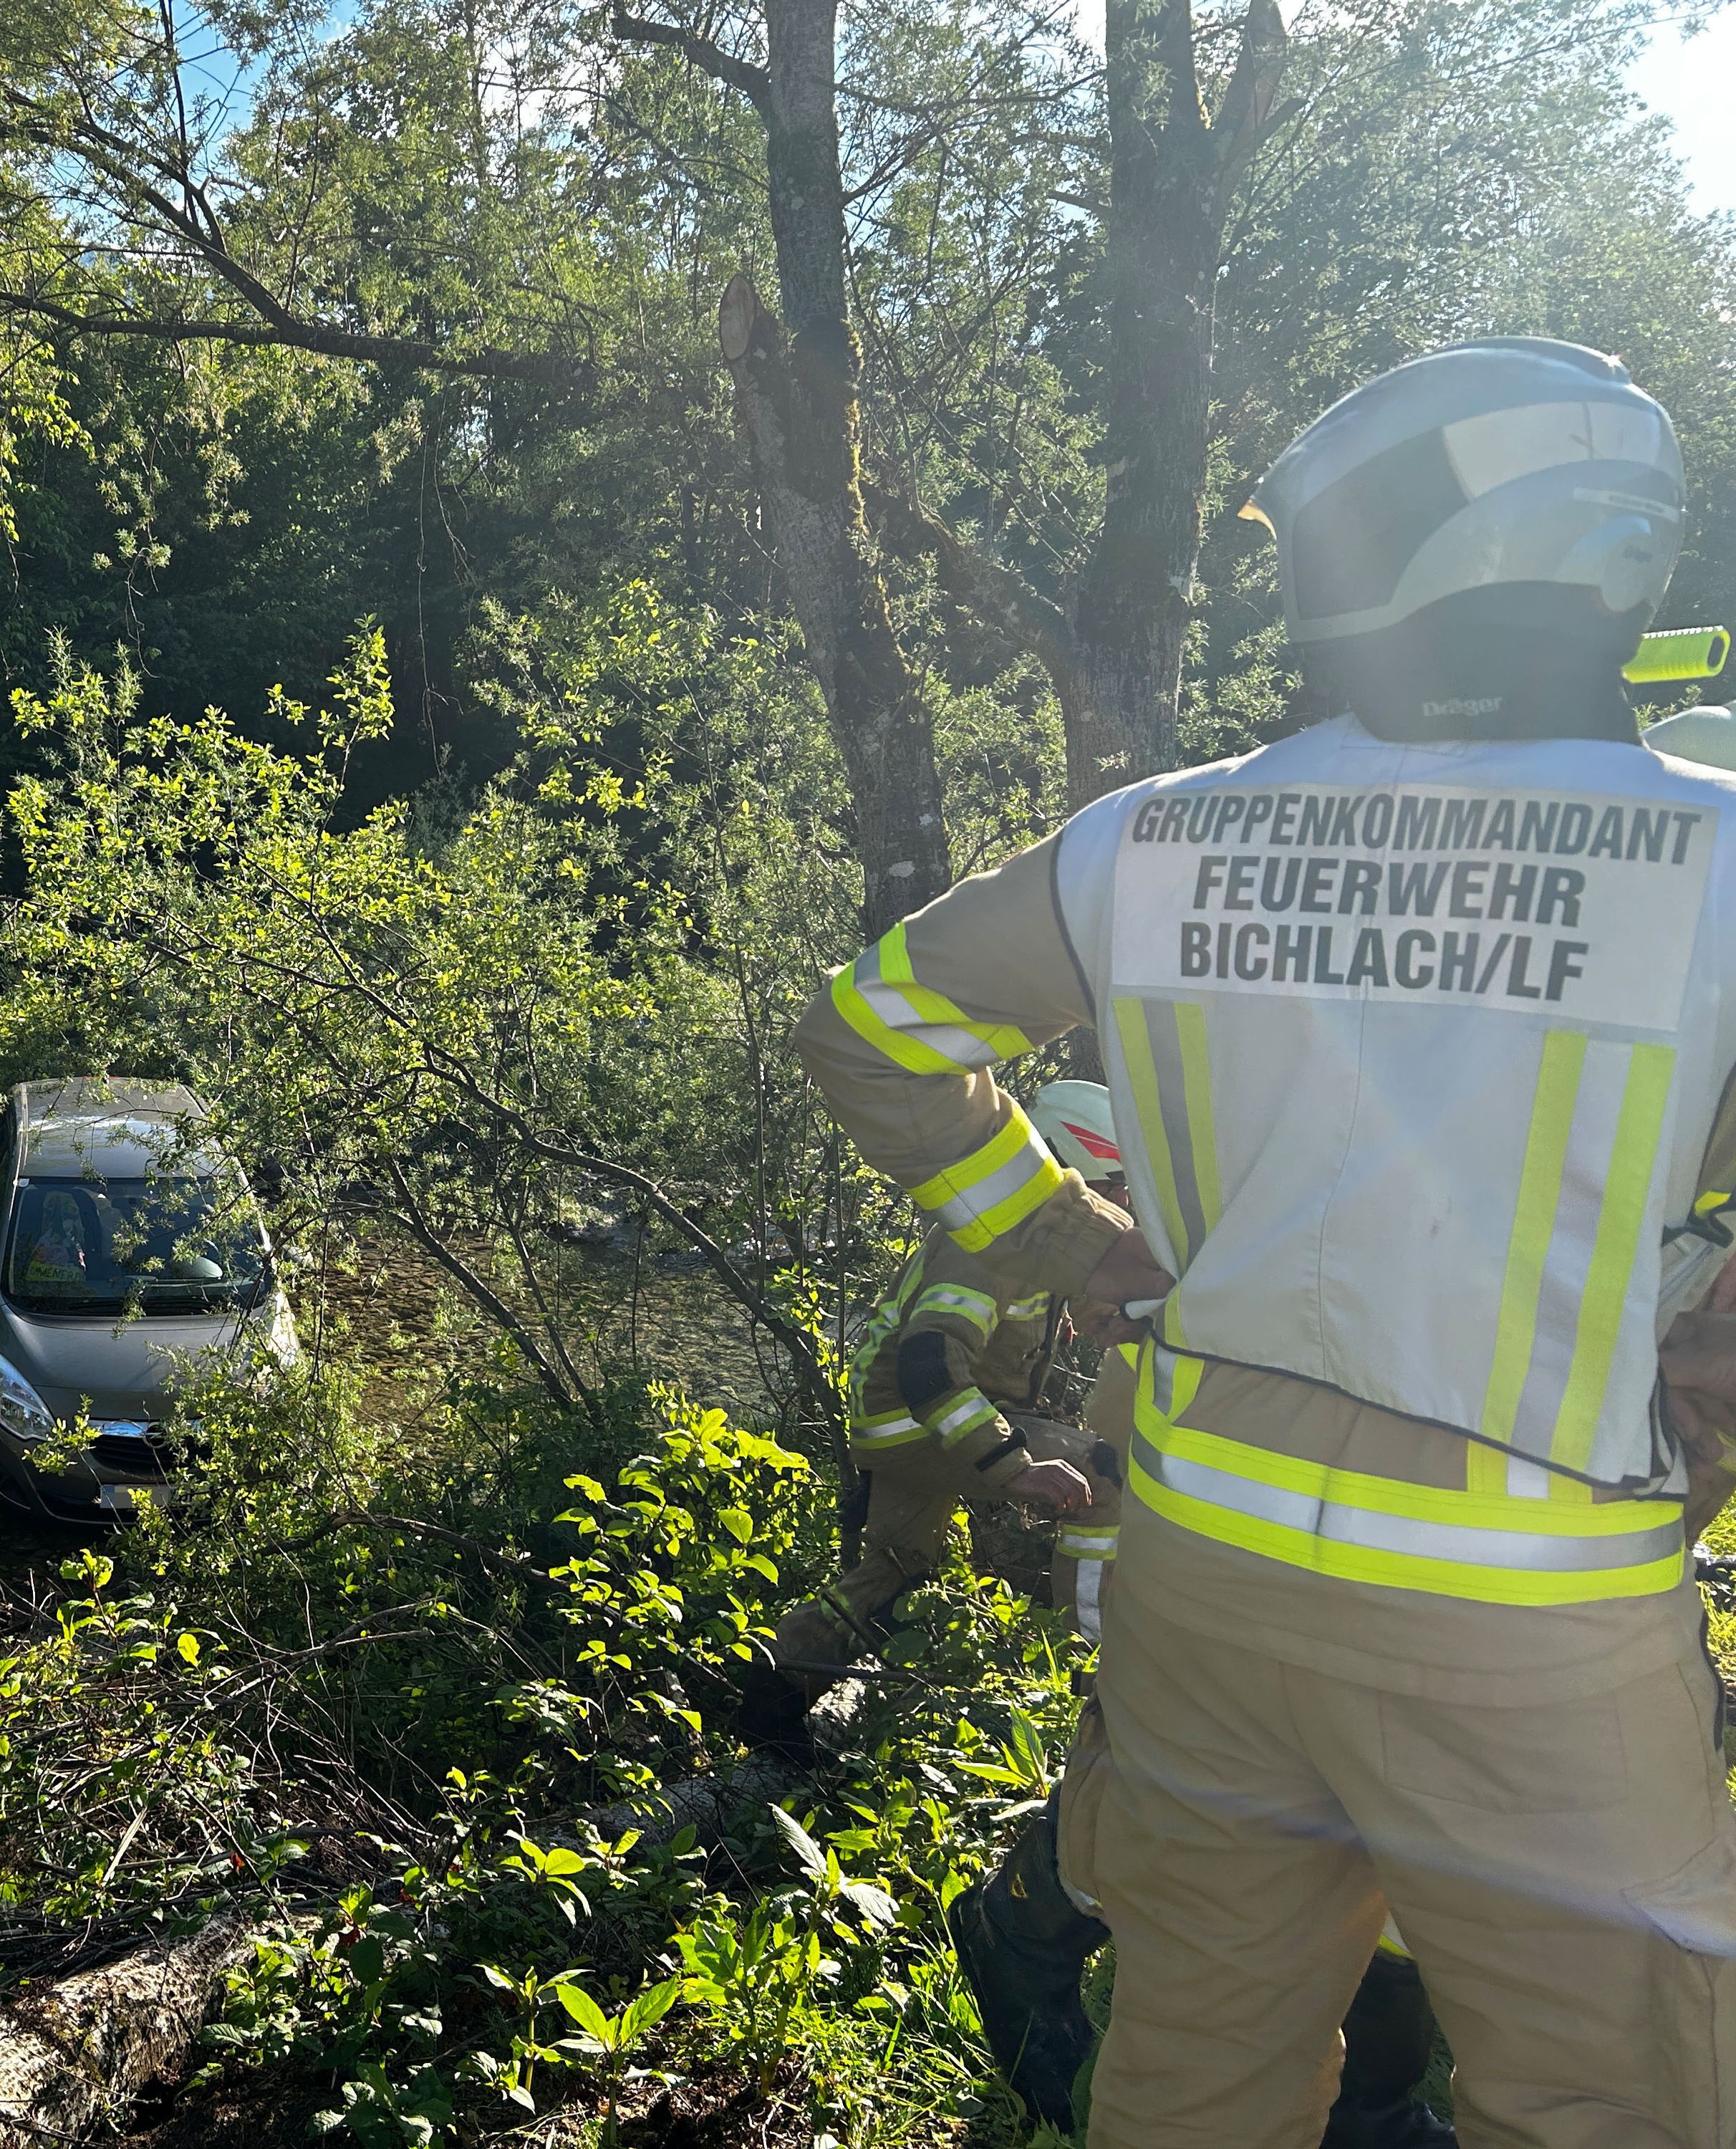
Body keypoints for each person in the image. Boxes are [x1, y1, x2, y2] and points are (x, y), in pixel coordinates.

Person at [794, 337, 1736, 2147]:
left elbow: (876, 1024)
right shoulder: (1709, 852)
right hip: (1534, 1630)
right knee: (1609, 2096)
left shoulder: (1154, 836)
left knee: (1189, 2072)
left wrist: (1064, 1242)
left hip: (1201, 1593)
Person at [950, 1330, 1455, 2148]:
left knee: (1405, 1799)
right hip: (1254, 1379)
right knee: (1188, 1721)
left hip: (1444, 1487)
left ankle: (1365, 2100)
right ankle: (1017, 1933)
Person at [736, 1080, 1123, 1744]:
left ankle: (766, 1701)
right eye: (1113, 1184)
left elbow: (1077, 1305)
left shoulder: (1035, 1242)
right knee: (1102, 1475)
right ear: (1074, 1170)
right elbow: (929, 1363)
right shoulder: (989, 1246)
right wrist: (1013, 1467)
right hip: (923, 1421)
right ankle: (1089, 1677)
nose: (1121, 1204)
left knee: (897, 1570)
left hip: (913, 1425)